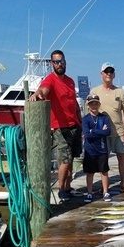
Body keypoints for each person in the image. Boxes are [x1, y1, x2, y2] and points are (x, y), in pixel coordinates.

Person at [29, 50, 82, 202]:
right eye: (56, 62)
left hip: (75, 125)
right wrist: (38, 94)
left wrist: (80, 120)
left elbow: (74, 103)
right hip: (61, 127)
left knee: (72, 159)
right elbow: (43, 90)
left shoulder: (70, 81)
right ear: (52, 63)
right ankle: (61, 189)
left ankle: (68, 186)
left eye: (62, 61)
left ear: (66, 61)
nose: (60, 64)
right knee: (64, 160)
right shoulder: (50, 79)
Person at [90, 63, 124, 195]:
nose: (109, 74)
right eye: (106, 71)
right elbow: (90, 112)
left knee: (121, 158)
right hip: (102, 134)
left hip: (119, 132)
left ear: (114, 74)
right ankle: (105, 186)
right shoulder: (95, 91)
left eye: (111, 71)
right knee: (103, 160)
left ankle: (123, 184)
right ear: (101, 74)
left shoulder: (119, 91)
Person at [82, 94, 111, 202]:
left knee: (104, 171)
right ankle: (89, 192)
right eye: (91, 103)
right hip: (90, 150)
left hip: (102, 149)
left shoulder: (104, 117)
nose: (94, 105)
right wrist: (100, 131)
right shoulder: (85, 119)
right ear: (88, 105)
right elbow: (86, 134)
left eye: (95, 103)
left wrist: (93, 131)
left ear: (99, 104)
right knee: (90, 172)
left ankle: (105, 192)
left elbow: (108, 132)